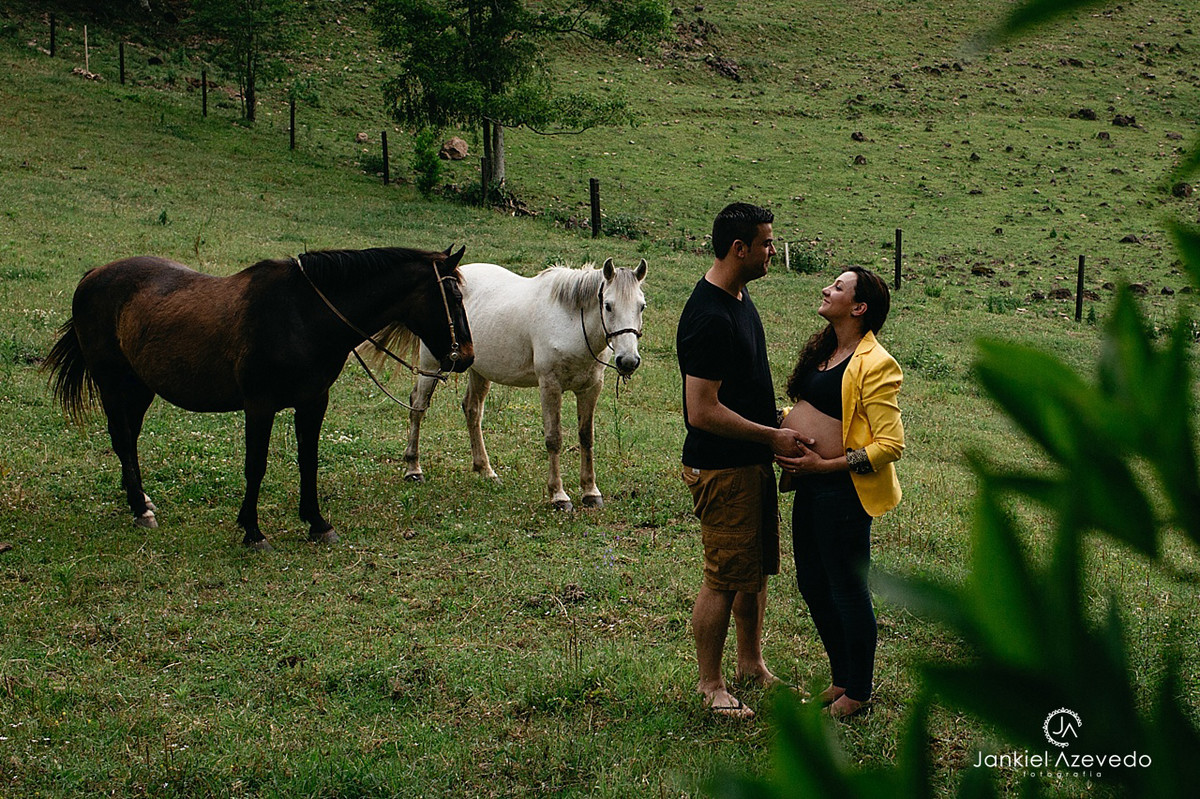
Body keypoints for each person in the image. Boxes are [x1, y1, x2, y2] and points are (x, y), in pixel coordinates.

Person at [676, 202, 807, 719]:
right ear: (740, 248)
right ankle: (711, 685)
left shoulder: (738, 296)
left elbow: (740, 388)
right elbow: (701, 410)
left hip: (749, 463)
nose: (772, 250)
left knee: (752, 571)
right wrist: (771, 436)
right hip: (722, 468)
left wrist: (775, 422)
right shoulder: (709, 316)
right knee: (724, 578)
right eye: (767, 243)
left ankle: (750, 663)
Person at [776, 266, 904, 719]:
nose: (826, 289)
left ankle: (859, 692)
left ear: (859, 307)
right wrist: (785, 422)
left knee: (847, 589)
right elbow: (821, 409)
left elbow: (890, 445)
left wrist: (825, 464)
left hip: (844, 493)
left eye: (838, 287)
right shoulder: (827, 350)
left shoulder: (876, 363)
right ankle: (841, 677)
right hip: (809, 486)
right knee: (812, 583)